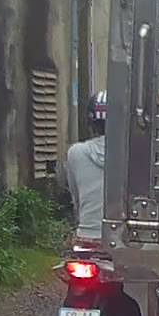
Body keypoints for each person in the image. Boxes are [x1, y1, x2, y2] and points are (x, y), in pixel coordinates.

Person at [63, 90, 107, 246]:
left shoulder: (75, 153)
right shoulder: (133, 154)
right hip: (124, 240)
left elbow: (75, 197)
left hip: (87, 235)